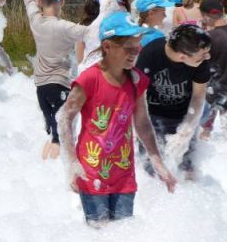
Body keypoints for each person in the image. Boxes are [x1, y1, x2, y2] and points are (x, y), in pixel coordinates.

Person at [58, 12, 176, 226]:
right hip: (92, 173)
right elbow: (65, 118)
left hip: (124, 175)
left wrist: (157, 161)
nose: (135, 53)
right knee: (100, 235)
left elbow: (142, 124)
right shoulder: (90, 79)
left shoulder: (136, 79)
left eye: (137, 47)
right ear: (107, 47)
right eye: (128, 48)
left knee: (124, 234)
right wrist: (72, 163)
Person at [10, 0, 94, 159]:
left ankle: (41, 168)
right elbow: (94, 32)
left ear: (40, 0)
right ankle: (54, 174)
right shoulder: (65, 27)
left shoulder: (35, 19)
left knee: (53, 136)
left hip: (41, 89)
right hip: (60, 87)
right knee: (61, 140)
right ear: (62, 1)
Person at [136, 24, 211, 179]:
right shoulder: (150, 55)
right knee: (152, 171)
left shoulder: (200, 61)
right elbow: (137, 98)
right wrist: (142, 128)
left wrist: (186, 131)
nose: (208, 57)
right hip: (153, 116)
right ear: (182, 57)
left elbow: (198, 97)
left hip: (185, 115)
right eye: (202, 55)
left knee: (188, 169)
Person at [198, 0, 227, 140]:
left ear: (205, 16)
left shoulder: (209, 38)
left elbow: (199, 64)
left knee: (206, 134)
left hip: (213, 91)